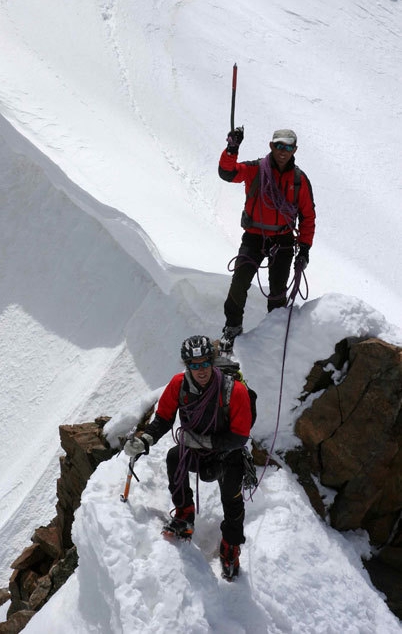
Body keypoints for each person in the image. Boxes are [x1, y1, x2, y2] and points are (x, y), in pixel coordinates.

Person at [123, 335, 253, 579]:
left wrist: (202, 441)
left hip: (227, 455)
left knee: (232, 503)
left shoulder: (234, 391)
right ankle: (184, 513)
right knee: (174, 459)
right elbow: (163, 419)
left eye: (204, 363)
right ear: (187, 366)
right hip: (196, 451)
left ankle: (231, 547)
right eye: (194, 365)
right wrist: (145, 441)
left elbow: (239, 437)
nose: (200, 370)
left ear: (212, 362)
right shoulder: (178, 385)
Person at [218, 127, 316, 350]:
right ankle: (232, 328)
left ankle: (274, 332)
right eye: (279, 146)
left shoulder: (299, 180)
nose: (283, 151)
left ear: (295, 150)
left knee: (278, 291)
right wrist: (232, 149)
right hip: (254, 237)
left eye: (288, 147)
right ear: (271, 146)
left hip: (283, 240)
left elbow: (308, 216)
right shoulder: (254, 169)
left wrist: (304, 250)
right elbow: (227, 173)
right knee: (239, 283)